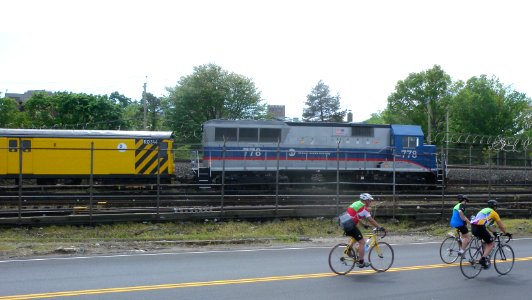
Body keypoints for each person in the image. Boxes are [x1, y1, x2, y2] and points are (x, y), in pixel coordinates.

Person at [339, 193, 386, 268]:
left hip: (343, 223)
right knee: (362, 242)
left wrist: (364, 225)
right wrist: (380, 227)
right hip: (350, 225)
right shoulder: (364, 208)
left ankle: (349, 250)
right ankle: (361, 262)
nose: (370, 202)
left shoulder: (356, 203)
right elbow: (371, 220)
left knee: (356, 236)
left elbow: (355, 216)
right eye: (370, 201)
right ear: (366, 200)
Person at [470, 199, 510, 268]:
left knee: (485, 241)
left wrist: (494, 232)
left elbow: (487, 225)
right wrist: (506, 233)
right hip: (480, 228)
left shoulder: (484, 210)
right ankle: (483, 260)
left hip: (473, 228)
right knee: (491, 243)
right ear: (495, 206)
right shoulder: (494, 213)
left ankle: (483, 258)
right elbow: (501, 226)